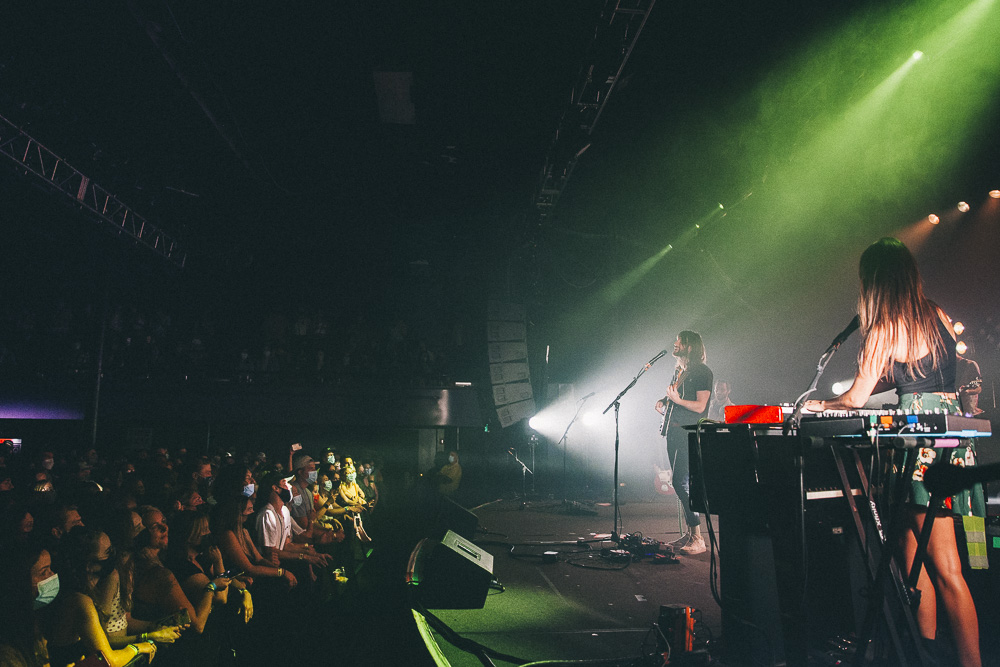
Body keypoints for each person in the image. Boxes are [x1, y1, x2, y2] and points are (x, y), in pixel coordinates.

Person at [804, 237, 984, 667]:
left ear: (874, 282)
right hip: (949, 433)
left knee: (944, 567)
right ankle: (924, 657)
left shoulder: (885, 327)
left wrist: (819, 404)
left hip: (916, 443)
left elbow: (855, 400)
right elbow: (919, 373)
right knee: (913, 561)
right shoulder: (935, 313)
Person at [654, 331, 713, 555]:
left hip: (689, 433)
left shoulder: (702, 372)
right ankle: (690, 534)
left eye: (680, 341)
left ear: (690, 346)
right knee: (679, 483)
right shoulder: (680, 371)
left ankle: (698, 538)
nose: (675, 343)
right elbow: (673, 397)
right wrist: (663, 400)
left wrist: (678, 400)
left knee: (681, 483)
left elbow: (700, 406)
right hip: (673, 431)